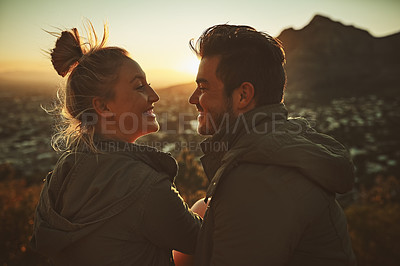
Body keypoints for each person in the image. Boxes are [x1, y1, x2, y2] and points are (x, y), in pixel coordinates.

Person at [30, 24, 201, 265]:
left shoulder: (63, 173)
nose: (154, 95)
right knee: (204, 206)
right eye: (139, 86)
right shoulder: (144, 185)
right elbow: (208, 242)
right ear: (104, 107)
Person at [188, 24, 357, 265]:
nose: (193, 99)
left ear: (243, 96)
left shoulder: (256, 182)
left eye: (203, 88)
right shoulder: (279, 146)